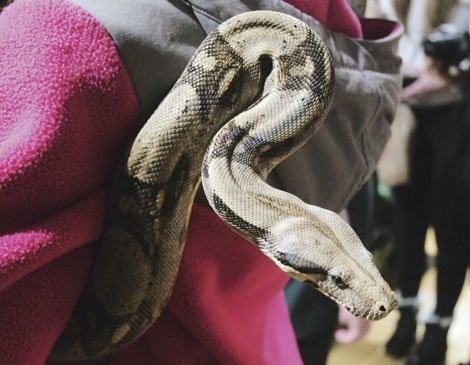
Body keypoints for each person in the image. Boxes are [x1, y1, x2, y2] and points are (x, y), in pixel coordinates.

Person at [0, 0, 402, 364]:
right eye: (335, 279)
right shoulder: (355, 53)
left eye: (334, 279)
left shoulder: (59, 41)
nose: (379, 302)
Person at [385, 24, 470, 365]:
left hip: (458, 118)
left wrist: (456, 72)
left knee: (454, 233)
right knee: (407, 226)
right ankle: (406, 317)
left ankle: (438, 330)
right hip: (408, 116)